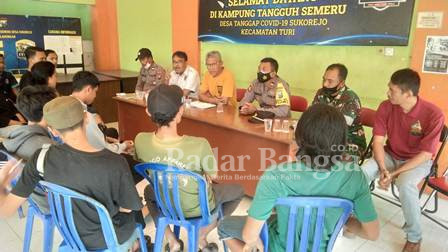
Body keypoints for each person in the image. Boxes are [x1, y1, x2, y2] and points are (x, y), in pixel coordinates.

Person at [218, 104, 379, 252]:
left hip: (278, 247)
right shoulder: (355, 176)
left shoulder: (276, 175)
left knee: (224, 225)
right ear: (342, 141)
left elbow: (249, 236)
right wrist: (343, 221)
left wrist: (253, 243)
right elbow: (372, 233)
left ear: (299, 137)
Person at [0, 96, 145, 250]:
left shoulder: (40, 158)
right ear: (86, 118)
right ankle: (136, 245)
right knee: (136, 209)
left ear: (53, 131)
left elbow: (4, 210)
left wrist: (2, 182)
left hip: (71, 235)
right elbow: (128, 207)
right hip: (108, 238)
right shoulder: (115, 162)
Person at [135, 85, 245, 251]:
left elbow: (140, 159)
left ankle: (171, 240)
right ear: (181, 110)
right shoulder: (199, 145)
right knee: (238, 191)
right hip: (199, 206)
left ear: (148, 112)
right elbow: (214, 175)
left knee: (149, 192)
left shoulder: (140, 140)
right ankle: (201, 235)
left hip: (166, 201)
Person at [362, 68, 444, 252]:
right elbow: (378, 141)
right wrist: (383, 169)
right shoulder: (386, 106)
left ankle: (414, 237)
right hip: (390, 155)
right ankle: (355, 214)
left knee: (405, 185)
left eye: (392, 90)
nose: (387, 93)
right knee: (362, 172)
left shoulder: (434, 114)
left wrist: (393, 174)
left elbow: (425, 155)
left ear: (407, 94)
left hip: (418, 161)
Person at [70, 71, 141, 182]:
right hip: (90, 160)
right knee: (136, 166)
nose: (95, 96)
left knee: (111, 132)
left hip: (74, 156)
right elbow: (103, 148)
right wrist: (122, 146)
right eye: (95, 91)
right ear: (88, 89)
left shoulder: (65, 104)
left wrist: (108, 139)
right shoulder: (85, 116)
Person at [1, 85, 58, 213]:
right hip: (51, 205)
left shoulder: (15, 137)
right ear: (48, 112)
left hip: (32, 197)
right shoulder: (48, 148)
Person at [312, 63, 366, 158]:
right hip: (324, 139)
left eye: (330, 81)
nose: (325, 84)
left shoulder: (350, 98)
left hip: (349, 144)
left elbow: (337, 129)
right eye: (324, 79)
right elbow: (312, 116)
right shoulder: (321, 93)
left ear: (341, 83)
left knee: (316, 155)